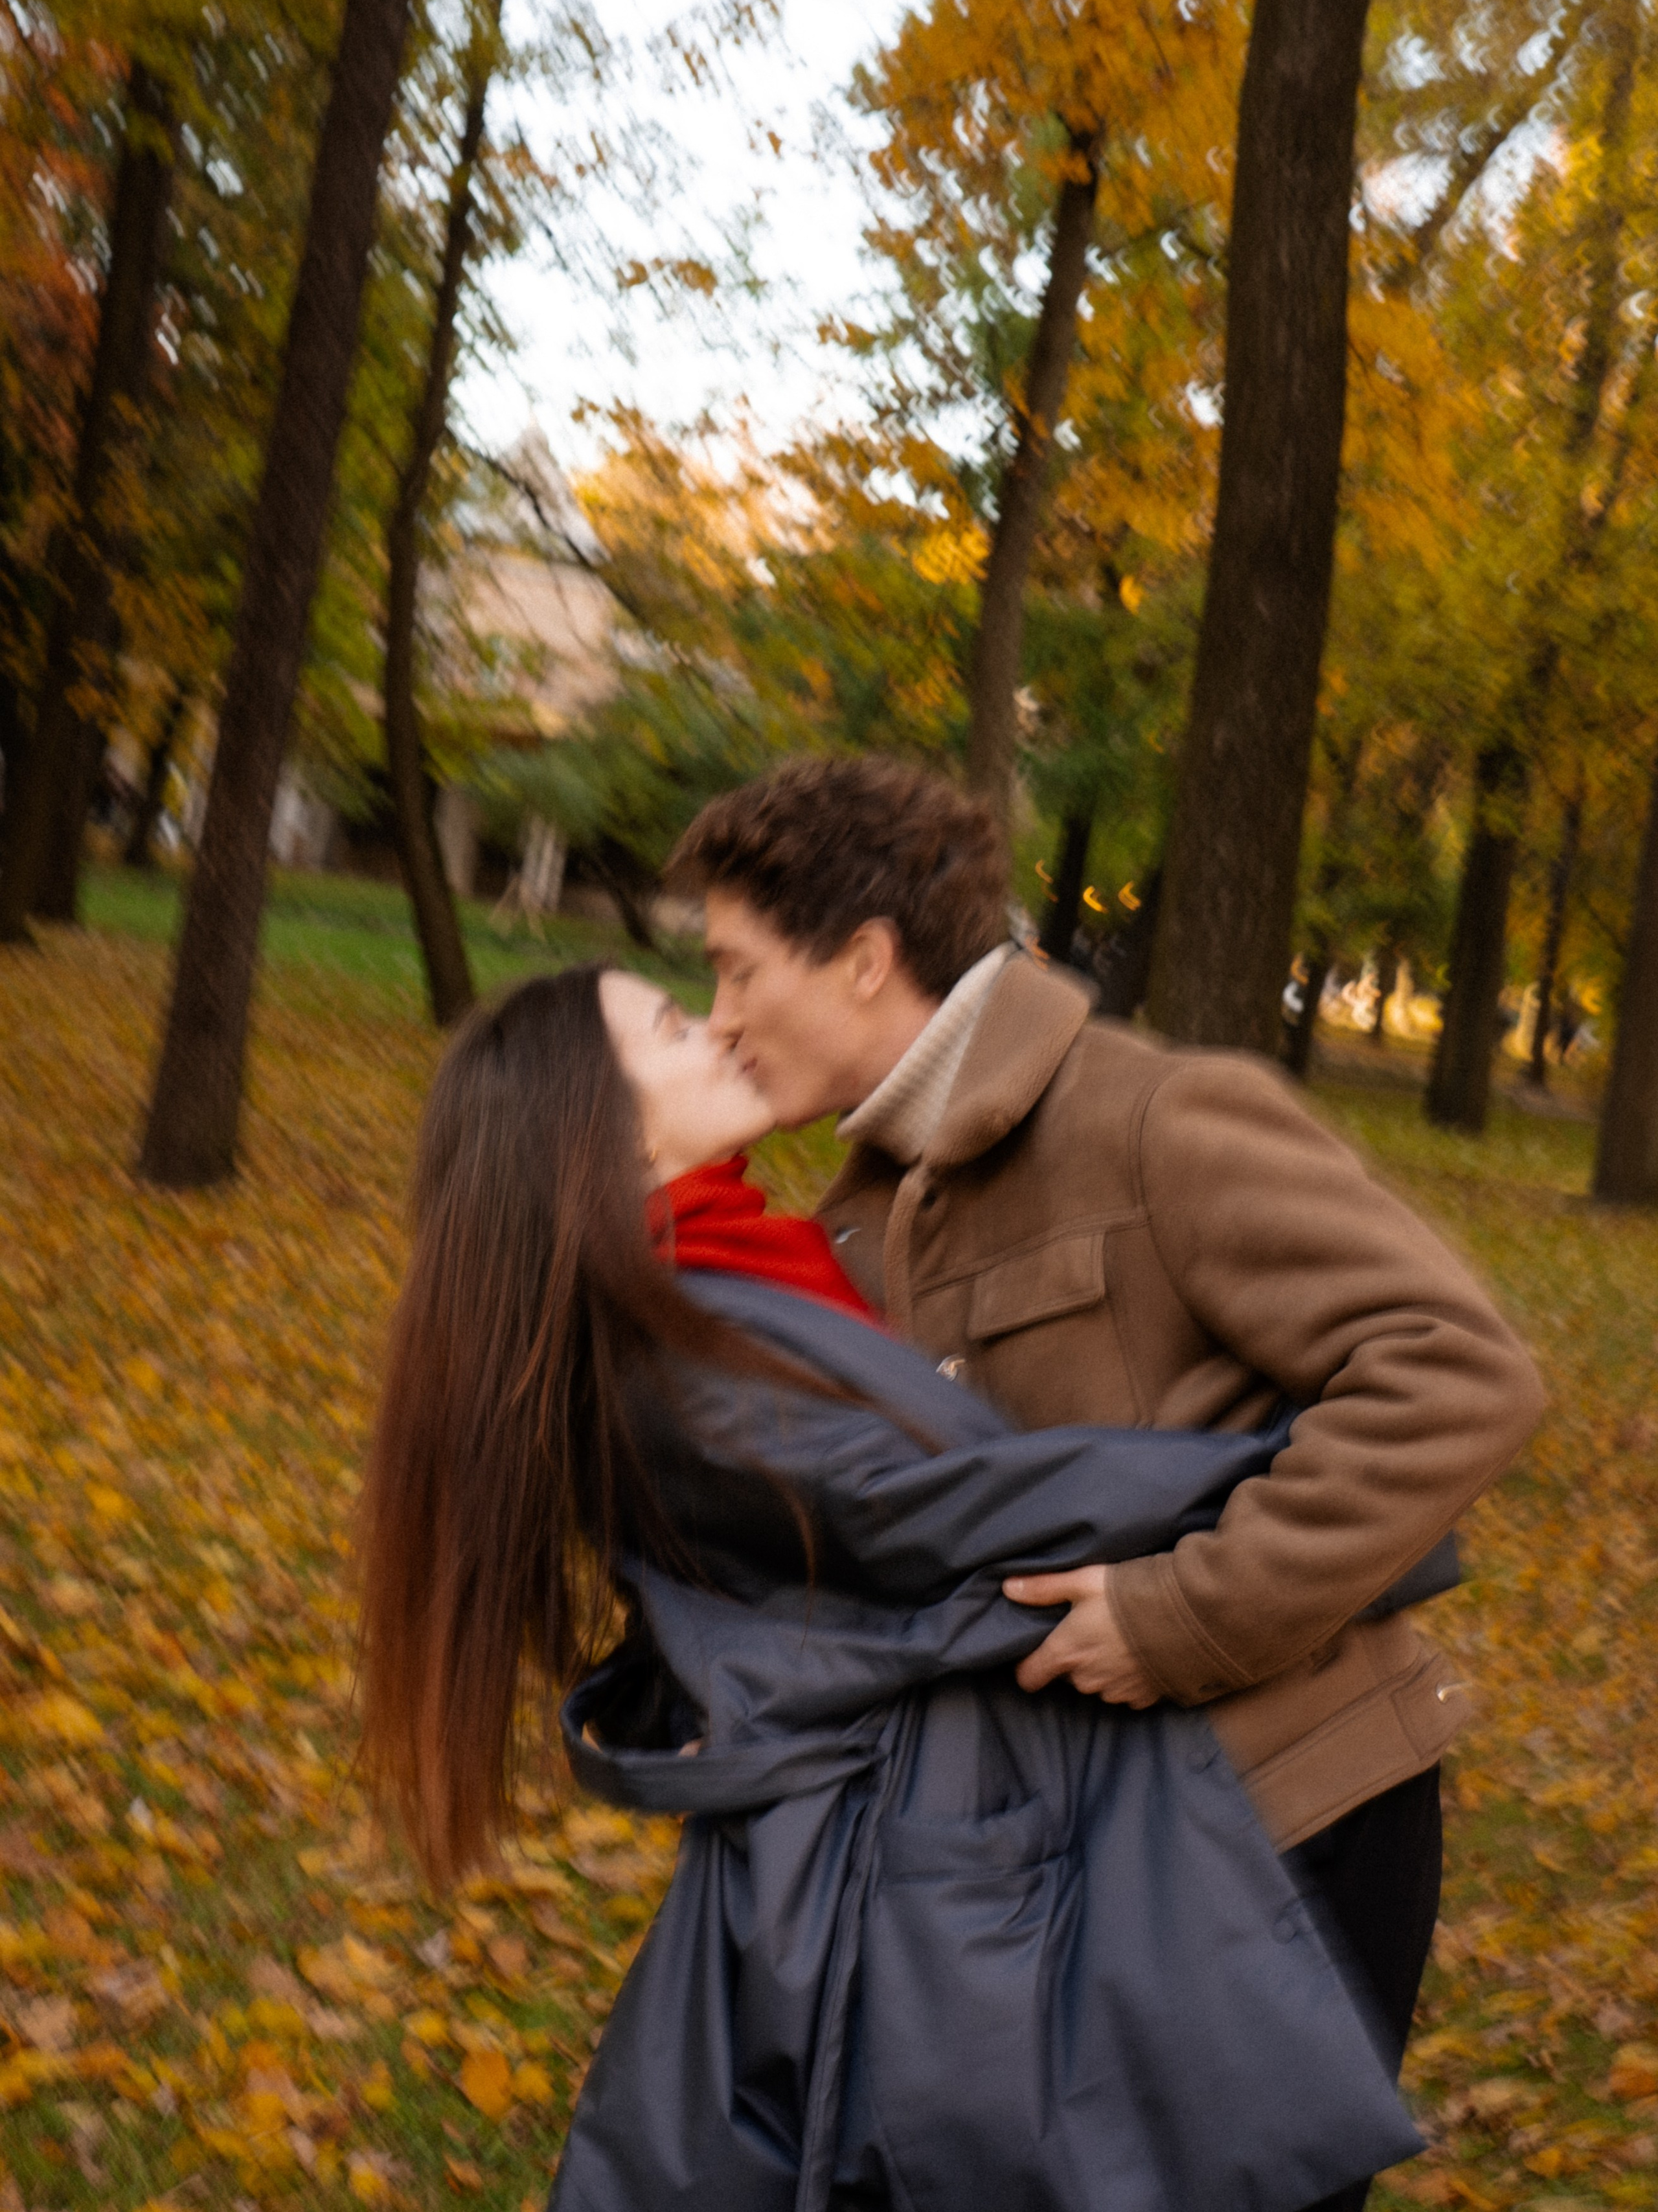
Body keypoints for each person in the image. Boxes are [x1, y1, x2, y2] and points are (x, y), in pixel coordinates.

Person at [357, 964, 1423, 2212]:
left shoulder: (754, 1254)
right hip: (921, 1859)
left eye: (724, 982)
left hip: (969, 1821)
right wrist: (1288, 1476)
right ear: (600, 1122)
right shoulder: (667, 1339)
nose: (717, 1025)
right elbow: (940, 1510)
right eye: (672, 1022)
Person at [666, 753, 1547, 2212]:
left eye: (735, 969)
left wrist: (1183, 1613)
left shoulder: (1146, 1118)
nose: (719, 1016)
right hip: (1062, 1871)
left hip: (1283, 1831)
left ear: (864, 958)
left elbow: (1455, 1369)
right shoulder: (866, 1210)